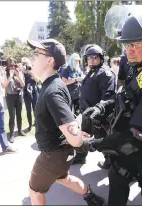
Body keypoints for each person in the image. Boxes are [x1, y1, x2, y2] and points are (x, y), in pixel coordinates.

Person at [82, 5, 142, 206]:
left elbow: (139, 133)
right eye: (127, 45)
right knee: (117, 178)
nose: (129, 51)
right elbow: (125, 95)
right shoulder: (140, 67)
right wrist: (101, 108)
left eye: (136, 44)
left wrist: (93, 144)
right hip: (131, 148)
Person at [27, 39, 105, 206]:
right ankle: (92, 197)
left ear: (49, 60)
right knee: (64, 178)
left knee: (34, 191)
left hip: (52, 154)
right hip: (61, 153)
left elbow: (76, 140)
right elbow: (66, 121)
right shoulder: (55, 84)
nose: (32, 58)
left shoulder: (52, 91)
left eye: (36, 54)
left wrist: (79, 136)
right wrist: (75, 130)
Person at [73, 44, 116, 169]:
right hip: (86, 112)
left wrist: (99, 110)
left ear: (101, 58)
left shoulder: (106, 74)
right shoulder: (91, 72)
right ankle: (81, 156)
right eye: (89, 58)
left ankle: (109, 160)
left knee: (102, 139)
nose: (91, 60)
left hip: (98, 114)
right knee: (83, 134)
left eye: (94, 57)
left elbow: (108, 96)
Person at [5, 58, 26, 143]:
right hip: (10, 96)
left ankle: (20, 130)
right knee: (12, 115)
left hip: (18, 95)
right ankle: (12, 134)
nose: (13, 67)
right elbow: (4, 85)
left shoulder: (19, 72)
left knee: (19, 114)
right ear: (7, 66)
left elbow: (23, 85)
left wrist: (18, 75)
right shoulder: (5, 74)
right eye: (11, 66)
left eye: (14, 65)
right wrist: (10, 76)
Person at [22, 57, 39, 131]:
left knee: (36, 109)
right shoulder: (22, 72)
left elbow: (38, 80)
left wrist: (31, 72)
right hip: (26, 93)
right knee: (28, 110)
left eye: (27, 64)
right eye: (24, 64)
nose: (26, 66)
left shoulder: (33, 70)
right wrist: (22, 71)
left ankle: (37, 122)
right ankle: (30, 125)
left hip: (34, 92)